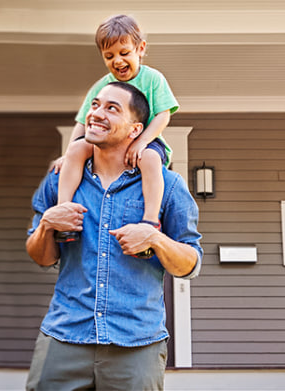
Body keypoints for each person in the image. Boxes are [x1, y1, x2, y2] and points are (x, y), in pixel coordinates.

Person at [25, 81, 202, 391]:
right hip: (64, 336)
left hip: (136, 343)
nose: (96, 114)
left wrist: (155, 238)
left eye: (111, 108)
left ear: (136, 130)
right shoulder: (60, 181)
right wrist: (46, 226)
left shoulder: (168, 186)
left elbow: (191, 263)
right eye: (94, 105)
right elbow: (41, 256)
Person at [54, 14, 178, 247]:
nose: (117, 61)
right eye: (109, 56)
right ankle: (65, 212)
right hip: (108, 141)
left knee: (150, 157)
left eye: (124, 53)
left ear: (140, 49)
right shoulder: (102, 85)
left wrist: (142, 142)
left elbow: (163, 114)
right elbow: (83, 121)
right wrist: (68, 151)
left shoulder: (153, 79)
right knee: (77, 149)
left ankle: (150, 221)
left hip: (146, 139)